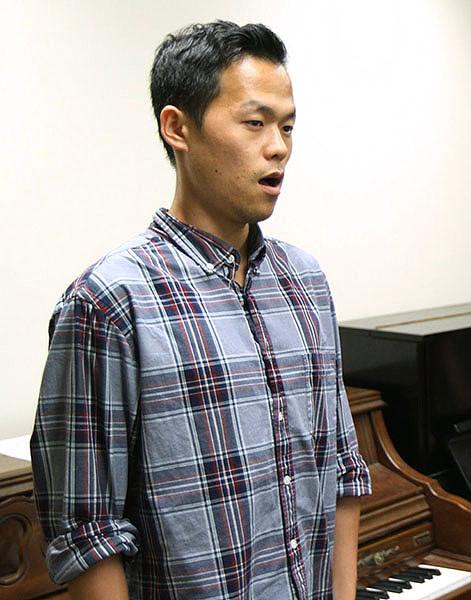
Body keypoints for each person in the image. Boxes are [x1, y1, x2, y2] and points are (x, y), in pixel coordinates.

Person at [30, 21, 370, 600]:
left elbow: (341, 470)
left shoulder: (306, 282)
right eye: (255, 123)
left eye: (288, 127)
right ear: (177, 128)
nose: (279, 147)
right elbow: (89, 533)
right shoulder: (109, 302)